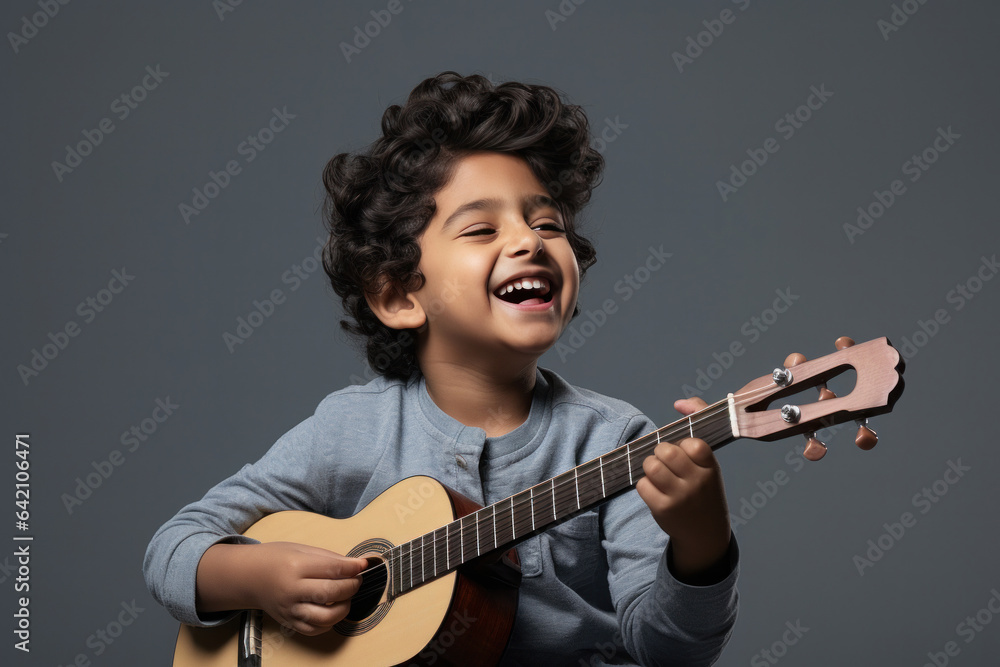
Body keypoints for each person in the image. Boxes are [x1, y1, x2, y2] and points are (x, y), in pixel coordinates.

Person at [144, 71, 738, 666]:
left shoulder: (616, 441)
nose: (529, 241)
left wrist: (702, 547)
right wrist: (255, 575)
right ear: (399, 295)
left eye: (548, 223)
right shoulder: (354, 428)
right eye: (482, 229)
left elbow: (669, 653)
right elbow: (171, 549)